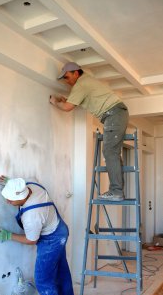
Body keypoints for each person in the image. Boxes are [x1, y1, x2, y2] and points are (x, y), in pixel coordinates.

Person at [0, 176, 75, 295]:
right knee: (61, 268)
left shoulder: (32, 215)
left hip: (52, 238)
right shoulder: (32, 186)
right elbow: (19, 188)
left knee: (43, 281)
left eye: (10, 200)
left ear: (19, 198)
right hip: (60, 229)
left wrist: (8, 235)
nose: (8, 203)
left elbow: (31, 240)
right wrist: (11, 184)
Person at [49, 62, 129, 201]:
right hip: (116, 114)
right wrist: (66, 100)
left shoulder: (81, 84)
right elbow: (74, 102)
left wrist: (54, 102)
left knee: (110, 152)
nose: (66, 81)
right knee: (113, 152)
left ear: (75, 73)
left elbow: (68, 108)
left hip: (113, 115)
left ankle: (116, 192)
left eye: (67, 77)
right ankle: (117, 191)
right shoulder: (86, 82)